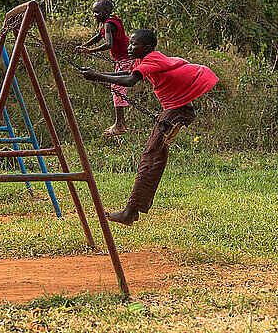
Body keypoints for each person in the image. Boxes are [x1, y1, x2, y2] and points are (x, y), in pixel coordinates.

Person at [79, 29, 218, 225]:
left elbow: (130, 81)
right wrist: (97, 74)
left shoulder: (152, 59)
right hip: (175, 108)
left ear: (147, 48)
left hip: (178, 110)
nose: (128, 48)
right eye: (129, 44)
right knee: (152, 154)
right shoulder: (143, 60)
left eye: (133, 44)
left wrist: (98, 77)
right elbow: (127, 73)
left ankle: (130, 211)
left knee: (152, 156)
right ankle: (132, 211)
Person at [75, 0, 130, 137]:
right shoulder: (112, 21)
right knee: (117, 87)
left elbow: (109, 44)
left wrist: (91, 51)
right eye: (93, 12)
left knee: (117, 88)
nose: (94, 15)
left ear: (106, 12)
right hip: (125, 58)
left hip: (125, 59)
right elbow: (98, 36)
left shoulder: (108, 25)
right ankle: (121, 123)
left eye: (97, 12)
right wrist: (84, 45)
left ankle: (119, 125)